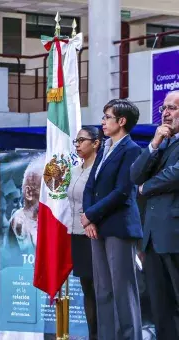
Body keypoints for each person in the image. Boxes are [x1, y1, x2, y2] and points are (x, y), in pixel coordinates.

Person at [82, 99, 143, 340]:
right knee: (103, 290)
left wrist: (90, 215)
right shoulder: (105, 148)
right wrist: (89, 219)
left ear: (121, 121)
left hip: (119, 226)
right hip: (97, 226)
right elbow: (91, 185)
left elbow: (122, 192)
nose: (102, 121)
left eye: (107, 117)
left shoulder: (132, 150)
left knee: (122, 290)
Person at [130, 90, 179, 340]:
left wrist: (146, 188)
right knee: (160, 307)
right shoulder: (163, 143)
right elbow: (135, 175)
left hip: (174, 235)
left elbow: (175, 175)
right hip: (152, 238)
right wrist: (153, 145)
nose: (166, 113)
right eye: (164, 108)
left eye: (173, 108)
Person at [68, 126, 102, 340]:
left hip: (94, 234)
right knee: (87, 289)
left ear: (96, 143)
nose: (78, 145)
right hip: (76, 234)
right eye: (76, 141)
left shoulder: (100, 170)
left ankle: (103, 334)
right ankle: (93, 335)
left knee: (100, 290)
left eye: (82, 140)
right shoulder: (76, 169)